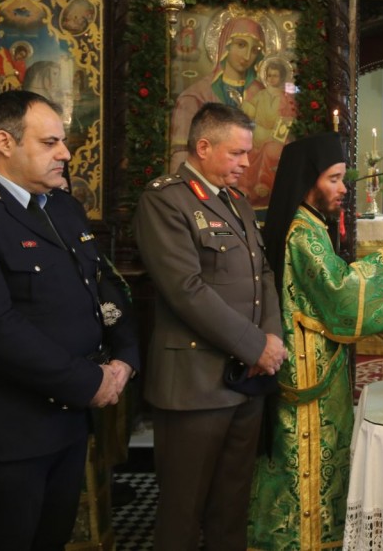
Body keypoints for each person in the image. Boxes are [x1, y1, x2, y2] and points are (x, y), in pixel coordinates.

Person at [0, 89, 139, 550]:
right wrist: (89, 381)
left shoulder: (61, 206)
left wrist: (124, 356)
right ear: (4, 141)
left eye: (63, 142)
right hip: (2, 430)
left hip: (66, 422)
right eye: (50, 143)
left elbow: (101, 285)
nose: (65, 154)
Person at [134, 103, 287, 551]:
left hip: (246, 380)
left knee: (231, 511)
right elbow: (186, 290)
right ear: (203, 147)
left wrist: (271, 338)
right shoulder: (165, 200)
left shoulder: (235, 202)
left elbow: (263, 275)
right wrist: (255, 345)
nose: (246, 163)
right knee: (183, 515)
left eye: (247, 153)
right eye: (236, 153)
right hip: (194, 386)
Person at [248, 132, 383, 551]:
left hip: (319, 363)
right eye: (334, 179)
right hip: (305, 375)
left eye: (342, 179)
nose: (343, 189)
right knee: (302, 466)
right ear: (309, 180)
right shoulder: (302, 233)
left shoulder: (311, 224)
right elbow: (339, 292)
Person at [169, 16, 268, 171]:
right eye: (241, 45)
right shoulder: (195, 96)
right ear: (225, 46)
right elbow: (181, 152)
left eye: (255, 50)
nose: (247, 56)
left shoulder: (263, 94)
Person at [241, 58, 297, 208]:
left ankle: (265, 186)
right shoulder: (261, 95)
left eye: (275, 75)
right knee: (247, 152)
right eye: (269, 75)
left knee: (270, 151)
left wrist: (269, 136)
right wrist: (244, 105)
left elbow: (286, 123)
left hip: (276, 139)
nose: (272, 79)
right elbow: (250, 113)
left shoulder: (286, 99)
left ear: (282, 77)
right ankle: (246, 191)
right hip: (257, 136)